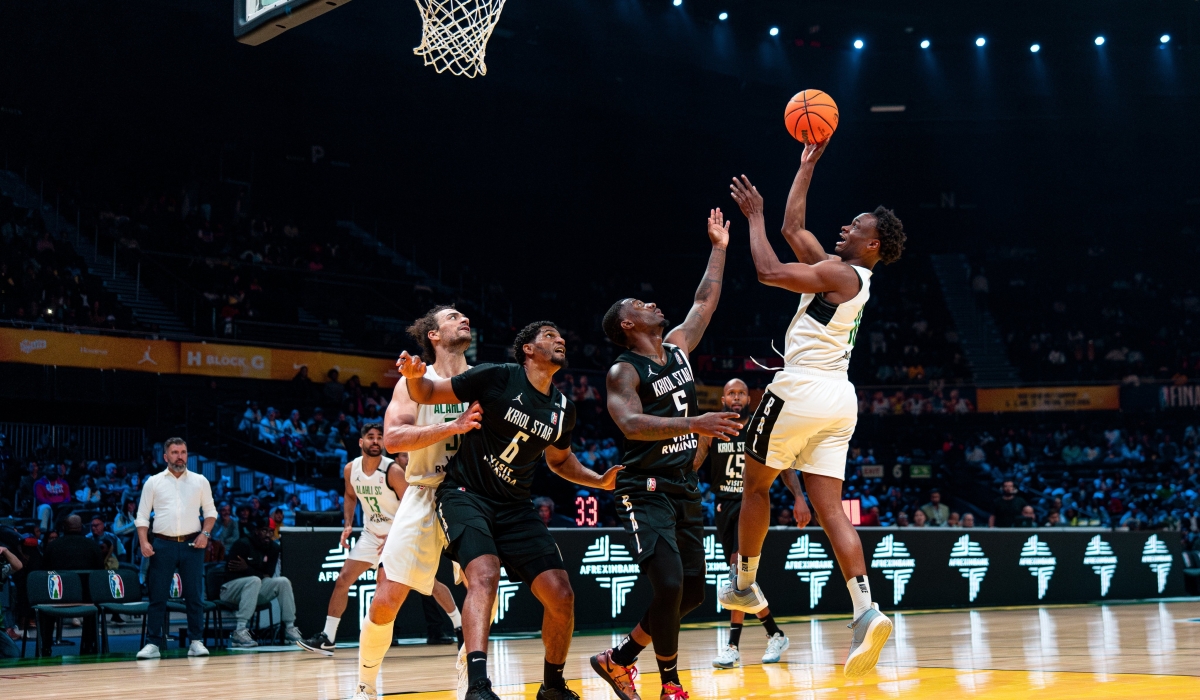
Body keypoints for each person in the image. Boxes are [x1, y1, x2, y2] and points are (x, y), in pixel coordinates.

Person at [719, 139, 908, 679]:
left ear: (872, 246)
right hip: (839, 399)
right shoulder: (843, 272)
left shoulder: (841, 275)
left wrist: (751, 217)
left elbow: (768, 270)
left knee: (755, 486)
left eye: (854, 227)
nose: (843, 229)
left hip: (800, 389)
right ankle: (865, 608)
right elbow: (794, 228)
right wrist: (807, 167)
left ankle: (745, 579)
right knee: (830, 508)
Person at [393, 319, 622, 700]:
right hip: (466, 494)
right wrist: (415, 378)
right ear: (528, 350)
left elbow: (560, 461)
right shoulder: (497, 376)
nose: (560, 338)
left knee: (561, 594)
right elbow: (428, 393)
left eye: (561, 335)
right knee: (484, 575)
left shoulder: (563, 408)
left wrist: (598, 481)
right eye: (549, 335)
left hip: (515, 506)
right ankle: (478, 684)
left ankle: (552, 686)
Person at [591, 208, 740, 700]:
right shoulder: (623, 371)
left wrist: (718, 247)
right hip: (643, 489)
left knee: (693, 592)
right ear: (629, 323)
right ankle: (670, 685)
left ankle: (619, 660)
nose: (654, 304)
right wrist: (694, 423)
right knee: (671, 585)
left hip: (682, 487)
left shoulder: (676, 347)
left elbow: (705, 301)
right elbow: (631, 424)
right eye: (641, 303)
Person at [349, 306, 479, 699]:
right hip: (424, 490)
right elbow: (393, 440)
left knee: (482, 587)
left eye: (464, 316)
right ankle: (366, 684)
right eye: (453, 316)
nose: (464, 319)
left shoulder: (483, 378)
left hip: (473, 494)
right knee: (386, 598)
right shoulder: (414, 381)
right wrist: (452, 427)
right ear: (433, 335)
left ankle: (470, 673)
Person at [699, 378, 801, 670]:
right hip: (722, 508)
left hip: (750, 505)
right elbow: (693, 465)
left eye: (741, 393)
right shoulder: (714, 430)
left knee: (737, 573)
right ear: (723, 399)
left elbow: (784, 465)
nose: (736, 397)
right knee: (741, 581)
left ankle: (733, 646)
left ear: (749, 399)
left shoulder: (759, 429)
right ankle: (775, 633)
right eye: (731, 392)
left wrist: (799, 497)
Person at [134, 437, 216, 659]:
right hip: (162, 543)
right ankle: (153, 643)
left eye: (183, 452)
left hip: (192, 543)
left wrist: (205, 534)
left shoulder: (200, 481)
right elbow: (142, 517)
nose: (180, 456)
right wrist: (143, 541)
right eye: (175, 452)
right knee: (158, 595)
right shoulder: (153, 482)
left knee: (194, 596)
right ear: (165, 456)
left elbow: (210, 513)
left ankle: (196, 642)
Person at [221, 518, 303, 647]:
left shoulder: (273, 548)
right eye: (264, 530)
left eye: (271, 531)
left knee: (283, 581)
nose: (268, 534)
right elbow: (233, 573)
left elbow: (268, 575)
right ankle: (240, 630)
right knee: (254, 580)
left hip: (254, 590)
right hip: (230, 589)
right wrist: (255, 572)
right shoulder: (242, 544)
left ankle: (289, 628)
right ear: (256, 531)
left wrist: (247, 568)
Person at [34, 464, 71, 531]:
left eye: (55, 471)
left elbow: (67, 497)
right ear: (46, 471)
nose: (53, 473)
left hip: (62, 506)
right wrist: (52, 504)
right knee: (45, 508)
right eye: (51, 471)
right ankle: (43, 531)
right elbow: (40, 498)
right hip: (47, 505)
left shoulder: (64, 483)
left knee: (69, 508)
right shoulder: (39, 483)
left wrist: (62, 504)